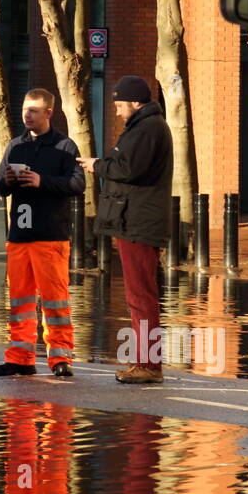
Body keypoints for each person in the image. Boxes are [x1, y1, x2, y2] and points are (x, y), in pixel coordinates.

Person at [77, 75, 173, 384]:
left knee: (141, 295)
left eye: (120, 105)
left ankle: (148, 364)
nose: (117, 112)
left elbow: (129, 169)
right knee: (139, 295)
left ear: (135, 102)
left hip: (138, 221)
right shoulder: (144, 126)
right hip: (133, 219)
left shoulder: (147, 128)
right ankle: (144, 361)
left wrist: (97, 165)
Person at [0, 88, 85, 378]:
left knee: (55, 299)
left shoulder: (65, 146)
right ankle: (20, 358)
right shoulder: (15, 146)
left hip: (51, 235)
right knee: (20, 301)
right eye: (24, 109)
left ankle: (60, 358)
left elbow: (77, 184)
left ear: (48, 113)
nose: (27, 115)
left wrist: (42, 181)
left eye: (33, 110)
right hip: (19, 236)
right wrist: (6, 182)